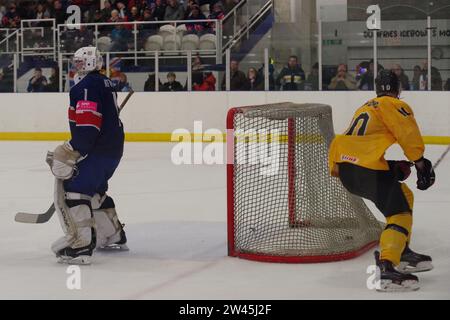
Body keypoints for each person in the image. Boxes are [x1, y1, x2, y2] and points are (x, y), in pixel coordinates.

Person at [328, 69, 435, 292]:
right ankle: (386, 266)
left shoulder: (366, 106)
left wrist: (390, 167)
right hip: (365, 169)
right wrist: (420, 162)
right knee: (399, 213)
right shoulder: (393, 104)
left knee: (404, 195)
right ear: (399, 88)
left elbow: (361, 145)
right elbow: (407, 132)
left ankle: (402, 250)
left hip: (347, 169)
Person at [47, 46, 127, 265]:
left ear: (92, 63)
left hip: (97, 150)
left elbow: (89, 125)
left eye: (81, 62)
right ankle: (112, 234)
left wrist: (73, 148)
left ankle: (80, 246)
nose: (77, 66)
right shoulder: (105, 82)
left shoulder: (85, 87)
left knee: (74, 190)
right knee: (95, 190)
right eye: (76, 62)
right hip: (112, 150)